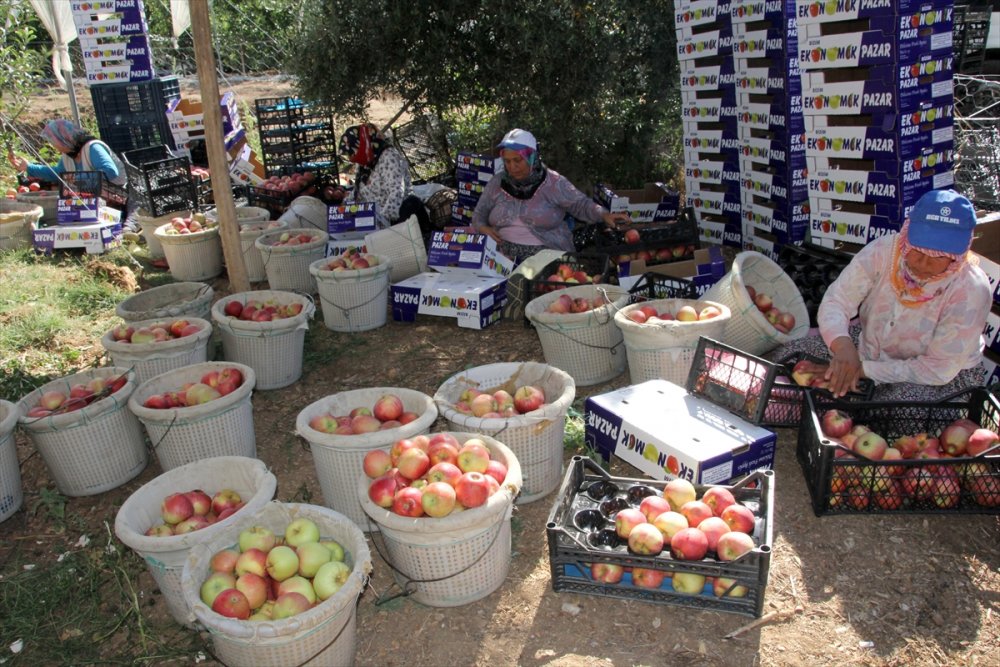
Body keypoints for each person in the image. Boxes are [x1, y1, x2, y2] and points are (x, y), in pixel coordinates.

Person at [773, 189, 991, 402]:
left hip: (935, 375)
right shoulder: (884, 250)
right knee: (788, 353)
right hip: (868, 345)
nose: (923, 263)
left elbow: (937, 369)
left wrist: (863, 369)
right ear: (907, 234)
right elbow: (837, 300)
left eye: (938, 256)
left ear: (959, 255)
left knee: (895, 409)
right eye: (917, 250)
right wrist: (843, 347)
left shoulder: (970, 289)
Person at [471, 128, 630, 263]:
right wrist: (483, 227)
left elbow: (580, 204)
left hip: (546, 256)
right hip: (502, 257)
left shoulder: (553, 182)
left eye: (518, 160)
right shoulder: (497, 183)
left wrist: (604, 215)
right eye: (507, 161)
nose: (512, 167)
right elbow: (478, 215)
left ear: (532, 157)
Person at [337, 122, 430, 232]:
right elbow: (359, 191)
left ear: (362, 145)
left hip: (399, 217)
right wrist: (344, 206)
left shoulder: (389, 156)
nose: (351, 158)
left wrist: (382, 222)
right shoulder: (365, 162)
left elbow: (396, 191)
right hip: (376, 219)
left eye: (352, 153)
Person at [7, 119, 127, 187]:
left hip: (117, 196)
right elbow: (57, 174)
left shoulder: (93, 148)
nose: (53, 146)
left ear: (64, 139)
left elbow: (110, 172)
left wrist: (74, 178)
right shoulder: (69, 156)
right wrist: (28, 167)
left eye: (53, 141)